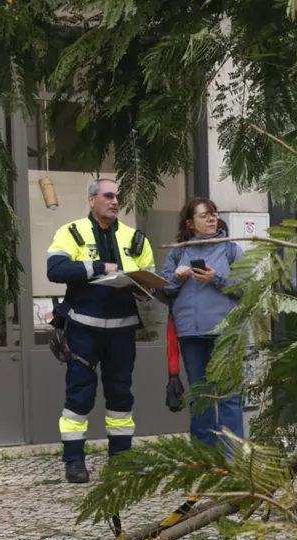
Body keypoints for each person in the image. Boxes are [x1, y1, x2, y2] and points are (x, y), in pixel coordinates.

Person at [47, 178, 155, 484]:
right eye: (108, 195)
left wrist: (144, 291)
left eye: (118, 196)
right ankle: (74, 461)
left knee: (121, 396)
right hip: (83, 328)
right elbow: (55, 270)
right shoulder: (71, 232)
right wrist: (99, 267)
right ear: (92, 199)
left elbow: (150, 278)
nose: (115, 201)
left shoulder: (136, 238)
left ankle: (121, 461)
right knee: (79, 396)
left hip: (122, 330)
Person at [159, 197, 245, 451]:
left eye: (213, 214)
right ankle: (205, 456)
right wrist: (177, 278)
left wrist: (215, 278)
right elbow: (163, 291)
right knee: (200, 397)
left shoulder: (230, 249)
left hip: (224, 333)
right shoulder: (178, 252)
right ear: (190, 223)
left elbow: (245, 288)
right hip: (190, 334)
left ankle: (233, 457)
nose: (211, 219)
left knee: (228, 395)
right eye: (204, 215)